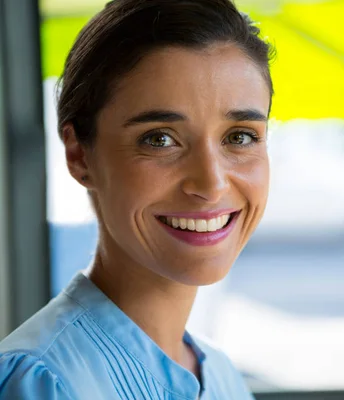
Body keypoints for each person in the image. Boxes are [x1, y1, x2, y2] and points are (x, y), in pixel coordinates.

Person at [0, 0, 274, 398]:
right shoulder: (41, 382)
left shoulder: (224, 382)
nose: (212, 184)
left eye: (239, 137)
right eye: (159, 139)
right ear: (79, 155)